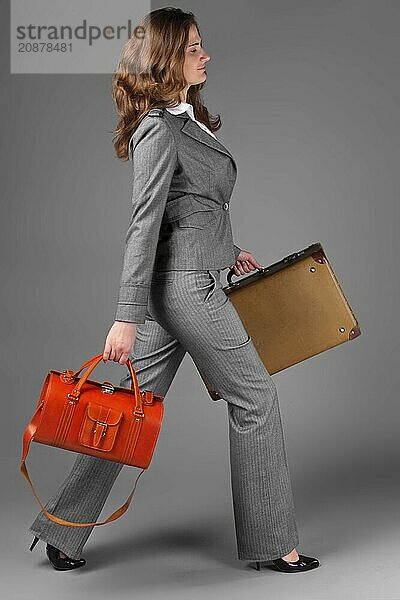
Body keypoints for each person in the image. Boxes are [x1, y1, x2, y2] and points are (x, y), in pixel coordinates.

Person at [27, 7, 320, 574]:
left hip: (188, 280)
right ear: (167, 59)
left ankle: (63, 533)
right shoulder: (159, 130)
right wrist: (125, 315)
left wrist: (227, 252)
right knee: (255, 399)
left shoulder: (187, 122)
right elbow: (145, 221)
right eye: (194, 47)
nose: (206, 54)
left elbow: (190, 212)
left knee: (128, 410)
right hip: (185, 292)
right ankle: (273, 544)